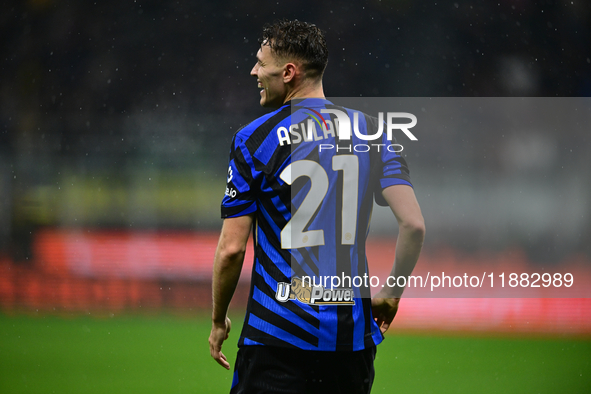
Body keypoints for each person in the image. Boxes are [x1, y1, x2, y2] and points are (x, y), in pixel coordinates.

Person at [209, 19, 425, 394]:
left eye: (261, 63)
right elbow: (414, 225)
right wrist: (392, 293)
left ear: (289, 72)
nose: (254, 71)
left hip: (276, 337)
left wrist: (217, 319)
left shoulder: (253, 140)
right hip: (350, 342)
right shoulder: (373, 133)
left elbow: (231, 250)